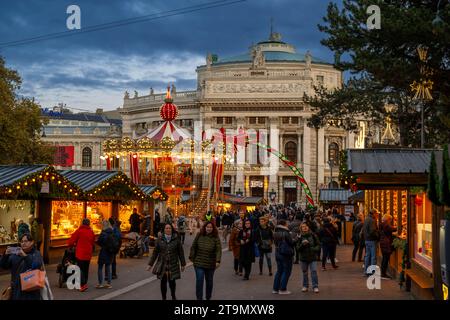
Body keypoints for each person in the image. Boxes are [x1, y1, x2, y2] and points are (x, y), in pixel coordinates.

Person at [147, 223, 186, 300]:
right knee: (163, 281)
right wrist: (150, 264)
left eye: (169, 228)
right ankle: (163, 297)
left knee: (172, 282)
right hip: (162, 264)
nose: (168, 230)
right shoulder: (159, 240)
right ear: (164, 230)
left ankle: (173, 296)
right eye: (166, 228)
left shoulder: (176, 240)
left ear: (172, 230)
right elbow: (155, 253)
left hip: (173, 264)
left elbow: (180, 253)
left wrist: (183, 264)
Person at [0, 233, 44, 300]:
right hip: (16, 291)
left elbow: (36, 265)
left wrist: (24, 256)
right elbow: (4, 266)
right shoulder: (15, 254)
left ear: (32, 242)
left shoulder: (36, 253)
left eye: (26, 241)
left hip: (31, 291)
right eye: (22, 241)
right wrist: (5, 255)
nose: (23, 243)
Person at [189, 221, 221, 300]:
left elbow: (218, 249)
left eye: (210, 227)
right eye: (207, 227)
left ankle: (208, 297)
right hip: (199, 263)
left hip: (210, 263)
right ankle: (199, 298)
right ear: (205, 227)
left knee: (209, 282)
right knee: (199, 281)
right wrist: (192, 258)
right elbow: (193, 246)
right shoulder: (199, 235)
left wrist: (218, 261)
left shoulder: (215, 237)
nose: (209, 229)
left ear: (213, 228)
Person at [68, 218, 95, 292]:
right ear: (89, 224)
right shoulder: (91, 232)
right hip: (88, 253)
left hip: (80, 253)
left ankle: (82, 285)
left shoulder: (79, 231)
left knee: (80, 269)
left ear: (82, 223)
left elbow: (71, 241)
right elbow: (93, 242)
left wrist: (71, 245)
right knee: (86, 269)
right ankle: (84, 283)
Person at [272, 220, 295, 295]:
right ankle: (282, 289)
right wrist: (297, 239)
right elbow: (291, 243)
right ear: (284, 224)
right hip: (286, 254)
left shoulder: (275, 232)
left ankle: (275, 289)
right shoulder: (286, 232)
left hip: (277, 253)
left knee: (279, 271)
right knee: (286, 271)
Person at [298, 223, 320, 293]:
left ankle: (315, 286)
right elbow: (297, 248)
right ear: (301, 229)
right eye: (303, 227)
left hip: (312, 256)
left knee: (314, 271)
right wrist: (302, 245)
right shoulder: (300, 237)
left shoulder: (313, 235)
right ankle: (305, 286)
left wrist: (313, 249)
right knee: (305, 272)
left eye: (305, 226)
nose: (304, 228)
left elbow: (318, 245)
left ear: (308, 227)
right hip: (303, 257)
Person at [96, 220, 118, 289]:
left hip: (104, 251)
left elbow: (99, 242)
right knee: (108, 267)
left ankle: (100, 283)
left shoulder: (103, 233)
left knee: (100, 267)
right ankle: (108, 283)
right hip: (110, 252)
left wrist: (102, 244)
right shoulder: (112, 232)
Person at [363, 209, 380, 276]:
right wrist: (377, 236)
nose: (377, 215)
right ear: (373, 214)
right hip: (372, 240)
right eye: (377, 214)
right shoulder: (372, 220)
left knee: (367, 256)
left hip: (367, 240)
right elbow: (372, 231)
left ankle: (366, 271)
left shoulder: (366, 219)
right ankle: (372, 272)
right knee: (373, 257)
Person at [379, 214, 397, 279]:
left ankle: (383, 273)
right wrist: (400, 226)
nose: (390, 221)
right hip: (386, 243)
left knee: (384, 258)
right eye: (390, 220)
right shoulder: (386, 225)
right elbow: (393, 229)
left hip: (383, 242)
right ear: (388, 219)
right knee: (385, 259)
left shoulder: (381, 224)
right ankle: (383, 274)